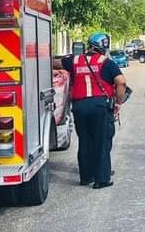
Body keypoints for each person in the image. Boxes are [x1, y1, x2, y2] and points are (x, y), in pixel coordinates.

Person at [54, 32, 126, 189]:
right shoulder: (106, 62)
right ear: (103, 47)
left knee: (85, 141)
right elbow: (121, 82)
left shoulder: (75, 60)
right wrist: (118, 102)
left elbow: (55, 63)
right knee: (100, 141)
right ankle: (101, 179)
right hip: (99, 106)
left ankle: (85, 177)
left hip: (79, 106)